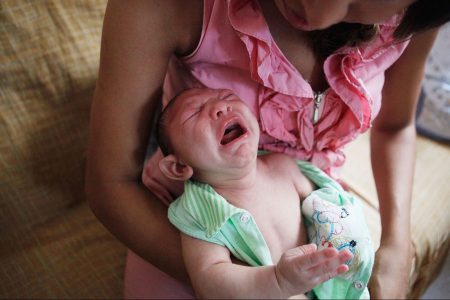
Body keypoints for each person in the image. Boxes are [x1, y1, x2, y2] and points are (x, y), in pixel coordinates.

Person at [85, 0, 450, 298]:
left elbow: (397, 125)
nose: (317, 16)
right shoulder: (198, 211)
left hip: (297, 218)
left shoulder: (411, 17)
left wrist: (398, 245)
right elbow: (110, 184)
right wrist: (264, 283)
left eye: (358, 1)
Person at [156, 87, 373, 299]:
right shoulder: (200, 211)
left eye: (228, 96)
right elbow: (209, 282)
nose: (221, 106)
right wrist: (278, 281)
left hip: (335, 283)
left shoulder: (283, 167)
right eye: (195, 112)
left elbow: (329, 206)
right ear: (179, 168)